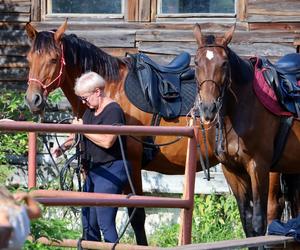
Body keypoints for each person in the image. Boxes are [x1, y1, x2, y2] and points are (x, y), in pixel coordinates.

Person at [52, 71, 130, 243]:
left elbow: (108, 141)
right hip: (93, 170)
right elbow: (80, 135)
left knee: (105, 222)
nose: (83, 102)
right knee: (88, 222)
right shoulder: (89, 112)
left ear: (97, 91)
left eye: (85, 97)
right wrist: (63, 147)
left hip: (111, 169)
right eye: (81, 99)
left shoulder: (113, 111)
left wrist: (83, 129)